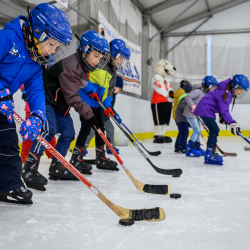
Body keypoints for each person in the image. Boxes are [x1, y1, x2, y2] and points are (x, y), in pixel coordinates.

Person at [0, 3, 72, 203]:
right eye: (50, 44)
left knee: (8, 145)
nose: (51, 52)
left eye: (56, 48)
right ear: (37, 31)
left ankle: (8, 186)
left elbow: (36, 89)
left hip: (2, 106)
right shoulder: (7, 38)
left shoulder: (35, 61)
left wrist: (38, 115)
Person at [22, 30, 110, 191]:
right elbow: (72, 96)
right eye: (96, 56)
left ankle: (57, 166)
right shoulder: (71, 66)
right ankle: (29, 169)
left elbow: (81, 82)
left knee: (68, 133)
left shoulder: (83, 66)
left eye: (100, 58)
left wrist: (91, 90)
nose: (98, 60)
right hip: (47, 100)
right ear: (86, 49)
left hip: (59, 106)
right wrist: (90, 116)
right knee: (48, 130)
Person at [71, 39, 130, 172]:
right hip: (85, 100)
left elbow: (108, 93)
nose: (121, 61)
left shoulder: (113, 73)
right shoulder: (97, 62)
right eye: (120, 58)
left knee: (100, 129)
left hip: (97, 105)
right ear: (113, 53)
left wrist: (108, 106)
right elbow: (83, 77)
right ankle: (76, 158)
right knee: (86, 128)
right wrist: (90, 90)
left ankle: (101, 158)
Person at [194, 74, 249, 165]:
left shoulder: (226, 91)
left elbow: (220, 106)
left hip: (206, 109)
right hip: (205, 109)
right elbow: (224, 110)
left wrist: (222, 117)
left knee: (214, 130)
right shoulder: (225, 92)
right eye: (241, 89)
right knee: (214, 130)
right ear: (236, 86)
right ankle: (209, 155)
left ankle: (210, 153)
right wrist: (232, 123)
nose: (241, 92)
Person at [84, 75, 124, 155]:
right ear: (113, 86)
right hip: (97, 116)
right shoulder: (106, 93)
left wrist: (115, 115)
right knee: (91, 132)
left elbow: (110, 107)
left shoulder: (113, 96)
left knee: (110, 129)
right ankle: (82, 147)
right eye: (118, 89)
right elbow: (102, 105)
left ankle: (110, 147)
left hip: (105, 117)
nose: (118, 91)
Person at [183, 76, 218, 157]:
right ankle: (189, 149)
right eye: (213, 87)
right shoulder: (198, 91)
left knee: (199, 131)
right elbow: (188, 97)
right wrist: (193, 106)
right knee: (197, 130)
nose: (214, 89)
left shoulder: (206, 94)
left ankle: (196, 147)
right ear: (209, 86)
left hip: (197, 115)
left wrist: (203, 121)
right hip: (190, 113)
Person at [20, 87, 57, 163]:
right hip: (31, 108)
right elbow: (22, 83)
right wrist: (26, 89)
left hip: (46, 108)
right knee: (29, 133)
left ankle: (53, 155)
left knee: (48, 132)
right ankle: (26, 156)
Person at [151, 59, 176, 143]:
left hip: (168, 102)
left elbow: (169, 88)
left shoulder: (167, 78)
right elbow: (159, 89)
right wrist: (168, 94)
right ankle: (157, 135)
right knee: (159, 119)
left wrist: (172, 93)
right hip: (158, 101)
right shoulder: (156, 77)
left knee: (166, 120)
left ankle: (162, 134)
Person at [174, 83, 193, 153]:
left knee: (181, 132)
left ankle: (177, 147)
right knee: (184, 132)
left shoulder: (184, 96)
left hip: (181, 117)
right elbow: (183, 107)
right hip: (182, 118)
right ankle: (181, 147)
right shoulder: (186, 97)